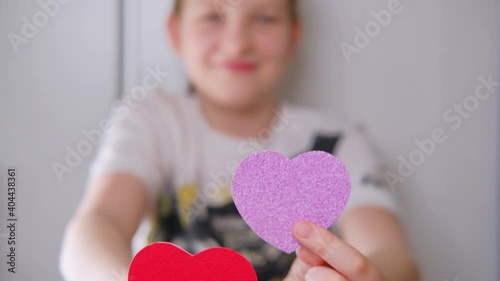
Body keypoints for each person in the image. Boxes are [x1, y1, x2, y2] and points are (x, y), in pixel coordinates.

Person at [60, 0, 420, 280]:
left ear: (294, 36)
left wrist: (366, 275)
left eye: (264, 18)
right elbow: (99, 221)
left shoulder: (336, 140)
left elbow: (391, 251)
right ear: (176, 34)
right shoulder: (151, 121)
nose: (237, 43)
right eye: (212, 17)